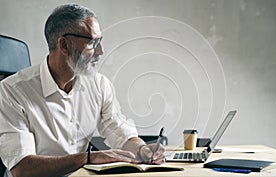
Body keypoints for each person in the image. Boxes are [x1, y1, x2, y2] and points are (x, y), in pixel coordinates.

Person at [0, 4, 165, 177]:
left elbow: (118, 130)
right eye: (93, 42)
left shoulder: (99, 85)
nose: (101, 51)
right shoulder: (12, 91)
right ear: (64, 45)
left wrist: (142, 149)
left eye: (99, 41)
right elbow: (22, 168)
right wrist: (87, 158)